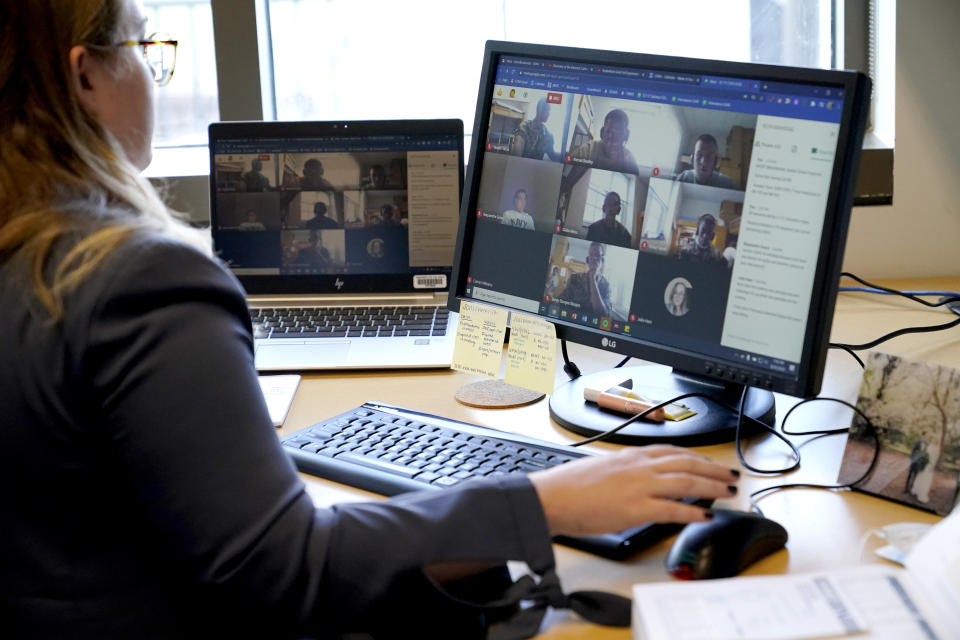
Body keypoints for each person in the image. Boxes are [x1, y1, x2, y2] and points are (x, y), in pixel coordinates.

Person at [0, 2, 739, 637]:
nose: (153, 76)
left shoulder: (26, 251)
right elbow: (291, 567)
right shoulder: (140, 280)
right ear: (84, 75)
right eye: (143, 45)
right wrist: (547, 501)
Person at [569, 109, 640, 175]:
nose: (613, 141)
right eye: (609, 132)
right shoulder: (588, 150)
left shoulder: (630, 160)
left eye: (619, 134)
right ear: (602, 132)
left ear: (626, 136)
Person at [558, 242, 615, 318]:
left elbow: (603, 314)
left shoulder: (606, 286)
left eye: (597, 255)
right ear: (588, 259)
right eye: (591, 254)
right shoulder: (574, 278)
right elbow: (561, 301)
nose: (594, 258)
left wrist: (593, 279)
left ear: (602, 261)